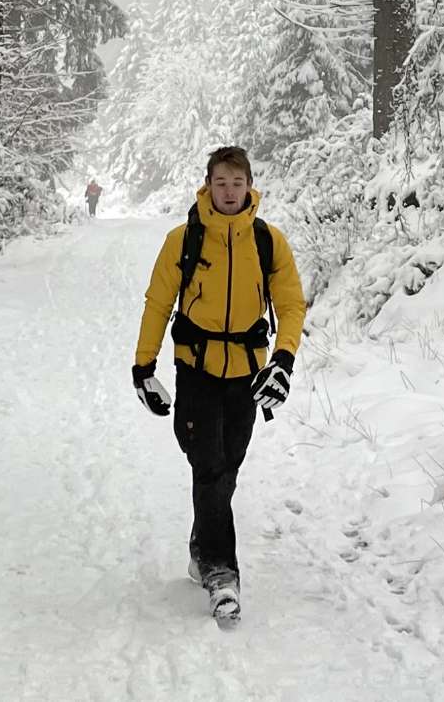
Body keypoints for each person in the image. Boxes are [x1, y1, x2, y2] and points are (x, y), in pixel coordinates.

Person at [129, 145, 306, 624]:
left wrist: (283, 360)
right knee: (208, 466)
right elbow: (157, 303)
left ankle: (201, 543)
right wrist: (144, 367)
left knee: (227, 466)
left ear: (250, 186)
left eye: (237, 183)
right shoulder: (184, 239)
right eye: (221, 183)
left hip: (247, 373)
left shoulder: (268, 241)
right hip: (196, 371)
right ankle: (221, 573)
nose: (229, 192)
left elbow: (291, 304)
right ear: (207, 186)